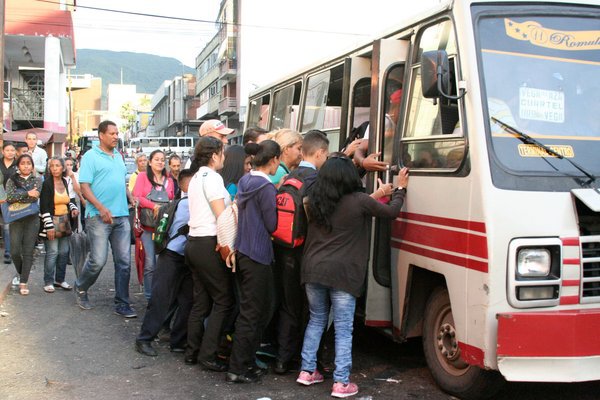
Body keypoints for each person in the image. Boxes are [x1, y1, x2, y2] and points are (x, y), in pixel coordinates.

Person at [296, 157, 409, 398]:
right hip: (343, 274)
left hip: (313, 269)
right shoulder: (359, 201)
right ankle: (341, 382)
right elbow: (391, 212)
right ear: (348, 177)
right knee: (344, 328)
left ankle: (306, 372)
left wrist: (378, 193)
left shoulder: (314, 201)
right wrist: (400, 189)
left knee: (316, 320)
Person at [272, 130, 329, 375]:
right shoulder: (317, 181)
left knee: (288, 306)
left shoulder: (288, 177)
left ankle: (283, 359)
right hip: (307, 250)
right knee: (312, 311)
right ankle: (308, 361)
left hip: (284, 248)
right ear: (320, 153)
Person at [227, 140, 281, 384]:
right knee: (253, 314)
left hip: (243, 251)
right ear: (273, 161)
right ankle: (238, 368)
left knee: (254, 310)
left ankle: (244, 363)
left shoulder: (245, 181)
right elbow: (272, 225)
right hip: (258, 255)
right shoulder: (267, 188)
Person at [74, 120, 137, 318]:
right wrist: (101, 208)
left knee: (124, 262)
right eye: (112, 133)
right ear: (101, 135)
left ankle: (122, 303)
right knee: (98, 260)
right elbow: (84, 187)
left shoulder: (118, 156)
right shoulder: (91, 156)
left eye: (117, 133)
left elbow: (119, 182)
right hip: (98, 217)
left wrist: (129, 195)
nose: (115, 136)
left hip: (121, 216)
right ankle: (81, 287)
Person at [184, 136, 235, 371]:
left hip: (194, 242)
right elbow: (221, 215)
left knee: (201, 300)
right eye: (222, 152)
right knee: (223, 299)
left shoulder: (195, 177)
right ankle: (208, 354)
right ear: (214, 155)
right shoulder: (213, 178)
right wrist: (228, 246)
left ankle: (192, 352)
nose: (224, 157)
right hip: (208, 242)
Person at [135, 169, 195, 357]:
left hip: (185, 257)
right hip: (173, 255)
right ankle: (144, 339)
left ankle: (178, 341)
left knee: (187, 301)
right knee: (161, 298)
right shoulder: (187, 204)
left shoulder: (187, 203)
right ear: (186, 186)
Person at [133, 149, 175, 300]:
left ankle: (163, 295)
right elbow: (137, 196)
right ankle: (150, 297)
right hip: (148, 227)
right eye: (156, 159)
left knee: (165, 263)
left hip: (164, 227)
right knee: (150, 263)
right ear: (150, 162)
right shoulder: (143, 176)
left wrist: (164, 208)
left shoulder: (169, 179)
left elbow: (172, 198)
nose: (160, 162)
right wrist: (154, 207)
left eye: (162, 159)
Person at [39, 157, 79, 293]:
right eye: (52, 166)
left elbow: (68, 201)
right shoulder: (47, 184)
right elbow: (44, 207)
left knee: (64, 252)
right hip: (51, 221)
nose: (54, 168)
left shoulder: (65, 181)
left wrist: (73, 208)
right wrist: (49, 226)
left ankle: (60, 280)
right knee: (53, 252)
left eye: (57, 165)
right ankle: (48, 281)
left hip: (65, 222)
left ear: (63, 168)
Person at [5, 154, 42, 296]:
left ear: (32, 166)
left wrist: (20, 196)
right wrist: (27, 193)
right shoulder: (12, 180)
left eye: (29, 163)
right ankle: (23, 272)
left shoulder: (37, 179)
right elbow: (9, 197)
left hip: (32, 219)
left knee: (27, 251)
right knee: (14, 251)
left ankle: (23, 282)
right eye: (23, 163)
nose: (26, 166)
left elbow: (35, 197)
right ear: (18, 166)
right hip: (16, 218)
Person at [0, 142, 18, 265]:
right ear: (3, 152)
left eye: (12, 150)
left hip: (11, 199)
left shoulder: (19, 164)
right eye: (7, 150)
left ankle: (8, 251)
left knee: (7, 226)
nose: (10, 152)